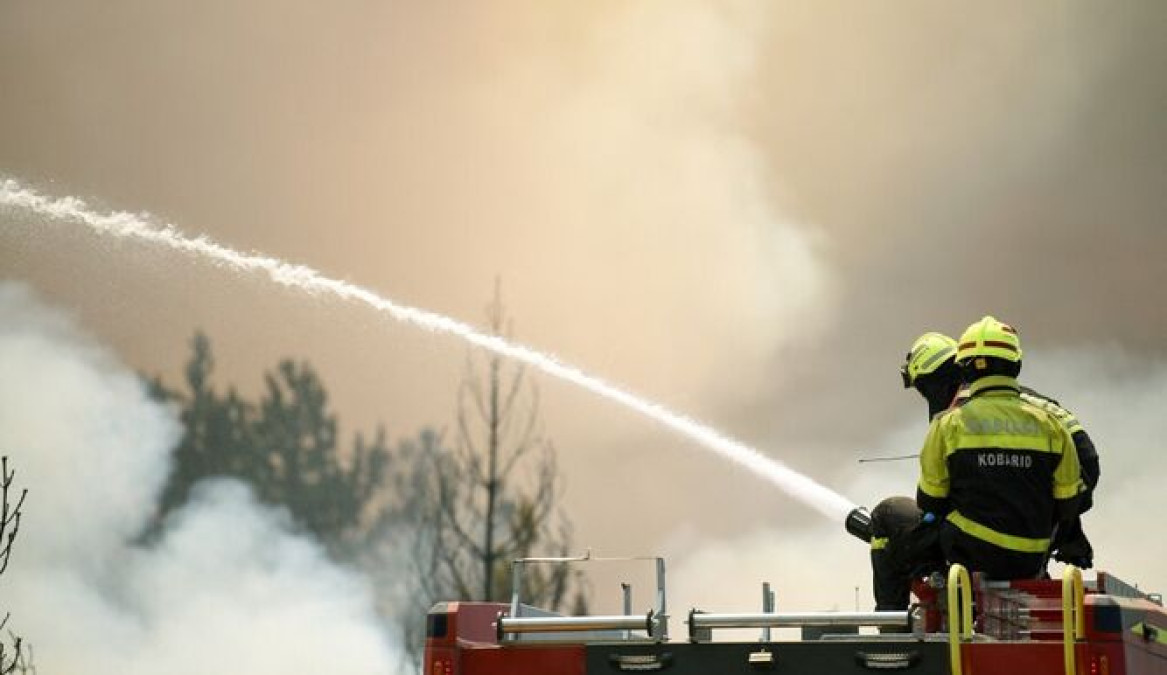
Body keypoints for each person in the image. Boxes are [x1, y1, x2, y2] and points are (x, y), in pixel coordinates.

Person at [868, 317, 1086, 609]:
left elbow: (930, 501)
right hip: (1032, 554)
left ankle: (893, 628)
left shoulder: (951, 424)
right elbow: (1072, 497)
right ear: (1016, 365)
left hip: (970, 553)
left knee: (889, 515)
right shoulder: (1050, 424)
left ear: (964, 367)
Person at [897, 330, 1101, 568]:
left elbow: (936, 498)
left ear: (937, 380)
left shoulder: (961, 414)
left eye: (925, 387)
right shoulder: (1032, 408)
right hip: (1046, 510)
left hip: (1052, 491)